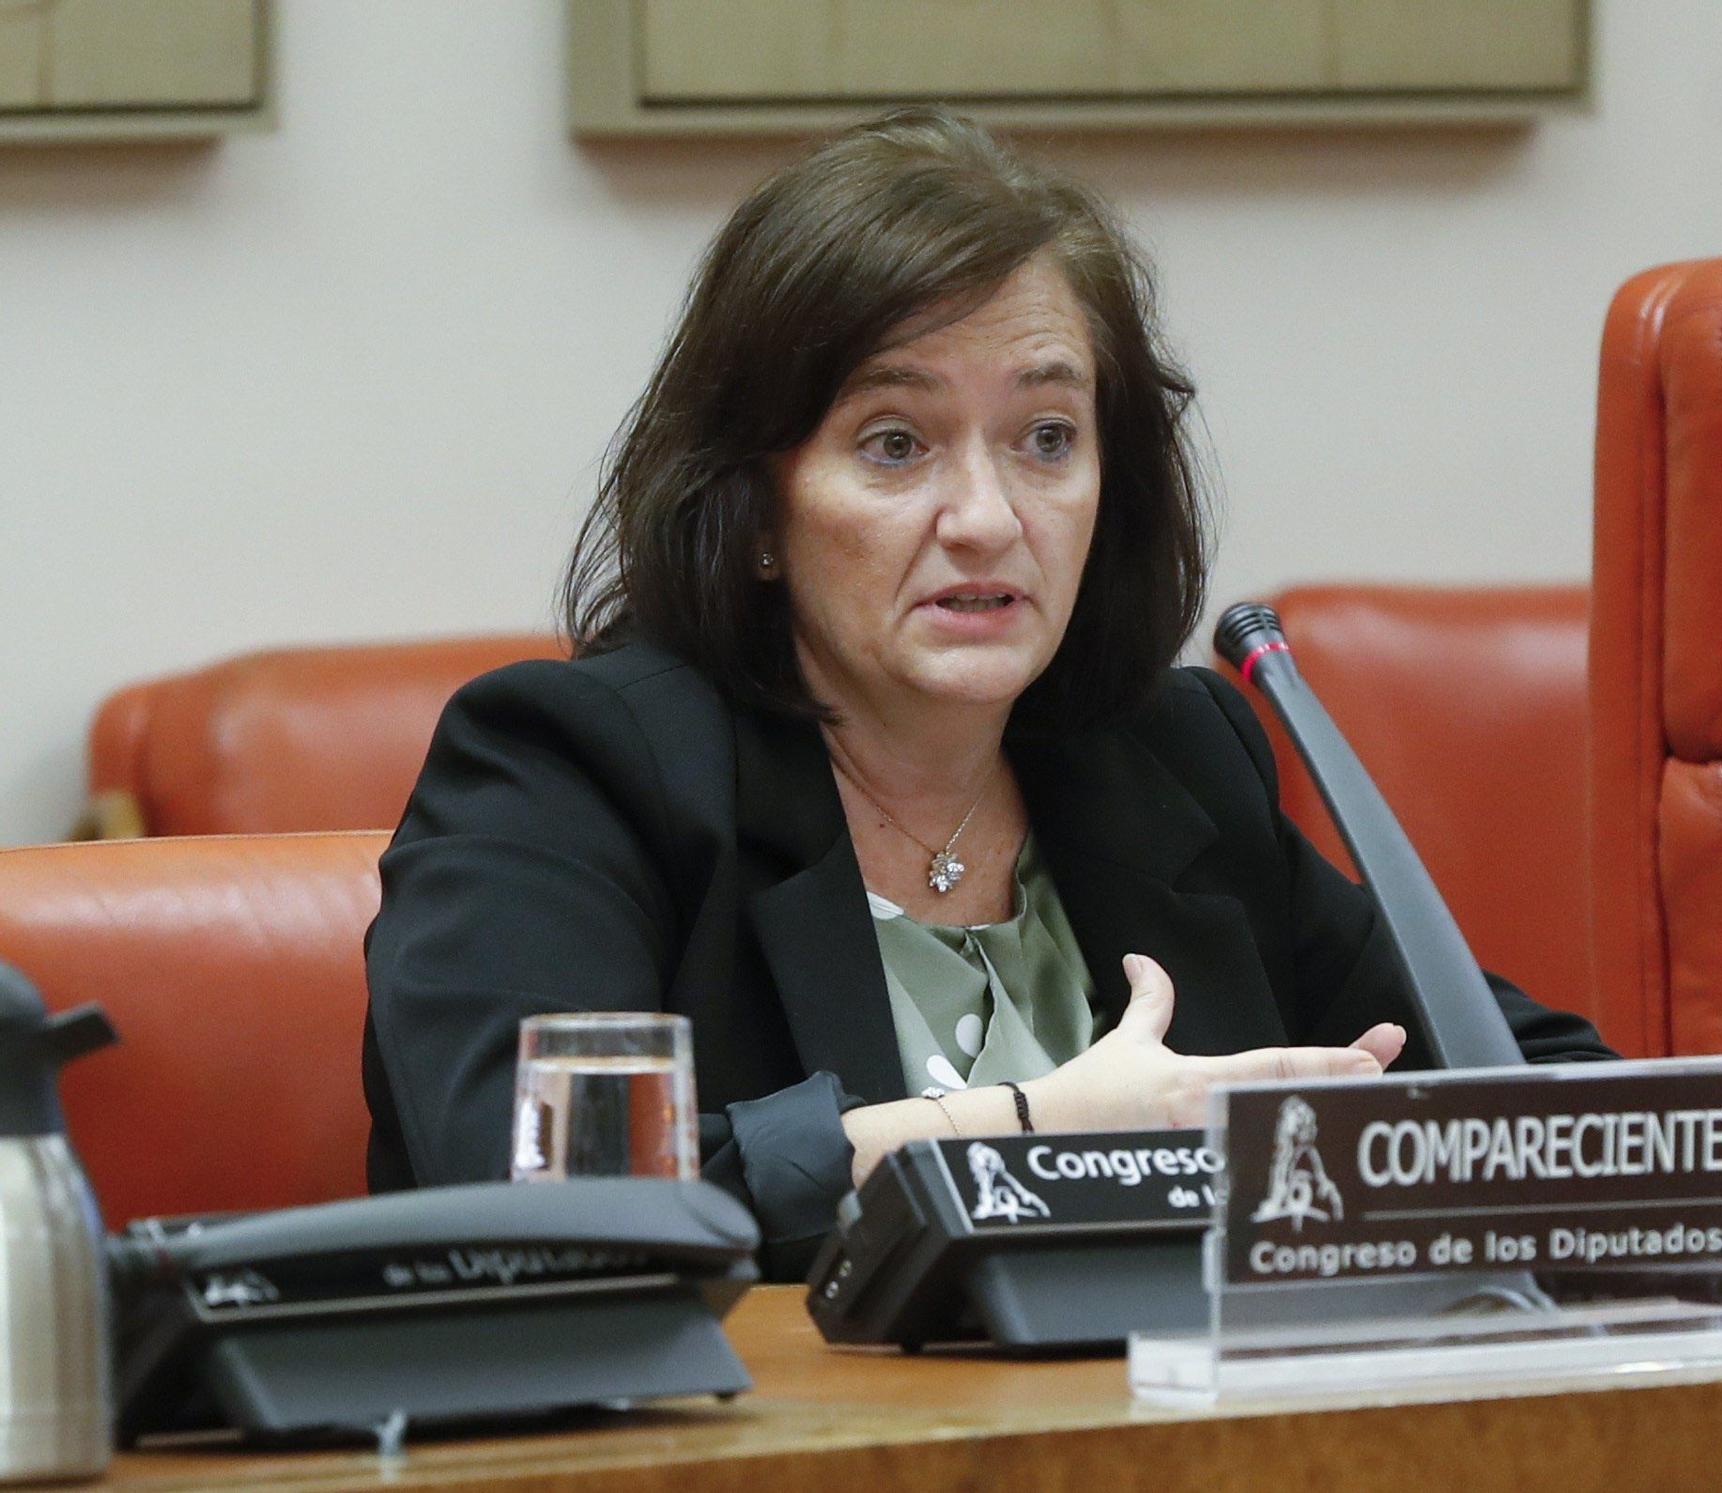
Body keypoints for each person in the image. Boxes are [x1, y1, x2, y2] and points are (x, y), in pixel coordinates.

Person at [361, 107, 1613, 1280]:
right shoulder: (573, 769)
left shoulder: (1168, 756)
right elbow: (545, 1203)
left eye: (1046, 438)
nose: (986, 517)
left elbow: (1510, 1078)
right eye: (895, 442)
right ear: (752, 509)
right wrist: (1028, 1130)